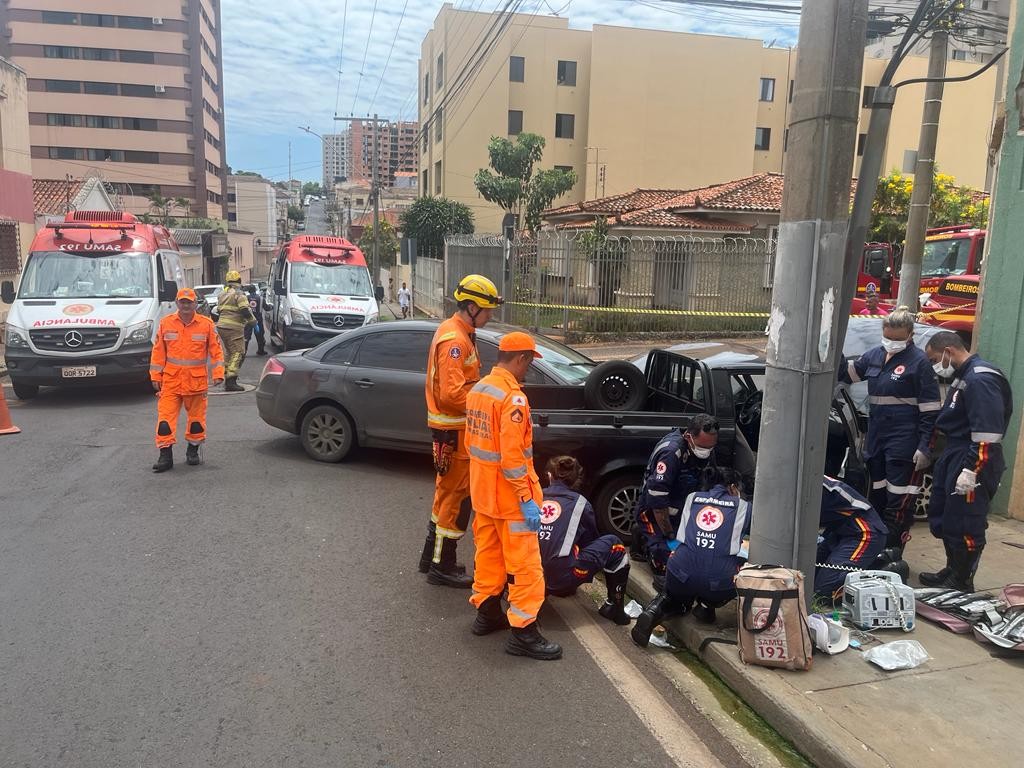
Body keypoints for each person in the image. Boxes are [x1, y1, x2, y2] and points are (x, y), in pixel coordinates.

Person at [465, 332, 561, 660]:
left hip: (483, 494)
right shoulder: (513, 398)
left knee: (488, 556)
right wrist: (525, 498)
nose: (529, 369)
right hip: (510, 499)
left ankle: (488, 613)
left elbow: (475, 446)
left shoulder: (479, 389)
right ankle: (523, 632)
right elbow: (511, 456)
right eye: (530, 362)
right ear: (521, 358)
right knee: (525, 566)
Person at [417, 275, 503, 588]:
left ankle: (434, 560)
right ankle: (443, 565)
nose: (490, 315)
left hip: (451, 432)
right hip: (454, 433)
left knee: (447, 497)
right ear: (470, 307)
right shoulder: (455, 340)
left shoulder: (459, 332)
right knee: (454, 499)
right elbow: (452, 395)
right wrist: (485, 401)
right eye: (486, 310)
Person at [840, 306, 940, 554]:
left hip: (904, 440)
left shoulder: (919, 364)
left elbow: (930, 411)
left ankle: (893, 551)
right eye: (888, 337)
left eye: (898, 339)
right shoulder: (874, 355)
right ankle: (876, 547)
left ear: (910, 335)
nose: (892, 343)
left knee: (899, 500)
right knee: (877, 495)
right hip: (877, 438)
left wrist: (924, 446)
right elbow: (849, 374)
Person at [920, 332, 1013, 591]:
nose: (934, 365)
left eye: (935, 359)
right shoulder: (964, 375)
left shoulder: (981, 378)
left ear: (949, 350)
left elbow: (987, 433)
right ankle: (952, 569)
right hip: (955, 452)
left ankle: (962, 580)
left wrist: (971, 470)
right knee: (947, 517)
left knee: (966, 521)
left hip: (973, 457)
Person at [632, 467, 751, 647]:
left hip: (680, 571)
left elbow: (685, 536)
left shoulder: (692, 498)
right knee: (738, 566)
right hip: (717, 583)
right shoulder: (744, 507)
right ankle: (706, 606)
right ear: (733, 487)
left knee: (679, 586)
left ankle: (654, 610)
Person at [539, 456, 631, 625]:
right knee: (614, 544)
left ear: (549, 476)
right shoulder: (581, 504)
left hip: (526, 575)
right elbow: (589, 542)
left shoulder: (533, 496)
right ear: (577, 479)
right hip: (560, 577)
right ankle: (615, 608)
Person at [634, 414, 719, 589]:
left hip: (682, 508)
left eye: (710, 447)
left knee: (697, 555)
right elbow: (657, 501)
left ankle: (647, 537)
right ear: (689, 436)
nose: (707, 451)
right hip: (654, 511)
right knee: (669, 561)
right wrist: (669, 534)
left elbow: (709, 480)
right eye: (703, 446)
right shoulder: (671, 453)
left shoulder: (705, 448)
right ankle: (644, 540)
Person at [150, 288, 225, 472]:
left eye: (189, 302)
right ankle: (165, 457)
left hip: (196, 382)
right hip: (171, 382)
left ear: (195, 304)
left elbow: (216, 351)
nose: (185, 305)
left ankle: (192, 451)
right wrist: (155, 376)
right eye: (182, 302)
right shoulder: (166, 323)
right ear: (177, 303)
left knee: (196, 421)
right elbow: (158, 352)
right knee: (165, 421)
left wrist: (218, 373)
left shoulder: (206, 325)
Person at [815, 476, 888, 603]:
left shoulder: (809, 485)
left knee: (824, 592)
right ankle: (873, 561)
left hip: (864, 533)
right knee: (808, 576)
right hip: (839, 532)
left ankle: (885, 575)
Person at [215, 270, 256, 391]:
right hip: (234, 328)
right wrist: (253, 322)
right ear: (239, 280)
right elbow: (244, 310)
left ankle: (227, 376)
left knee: (229, 353)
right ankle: (231, 381)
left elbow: (218, 310)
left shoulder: (222, 294)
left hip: (222, 326)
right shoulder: (239, 294)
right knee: (238, 353)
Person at [244, 284, 267, 356]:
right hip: (258, 320)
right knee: (260, 335)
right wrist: (272, 306)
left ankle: (243, 353)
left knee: (246, 336)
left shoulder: (245, 298)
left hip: (248, 320)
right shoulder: (261, 298)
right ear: (255, 290)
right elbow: (266, 308)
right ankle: (261, 351)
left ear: (249, 291)